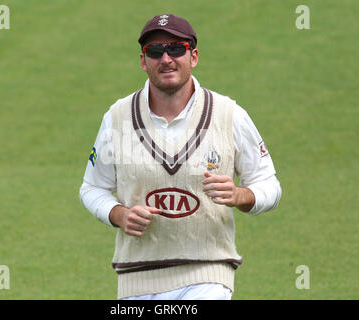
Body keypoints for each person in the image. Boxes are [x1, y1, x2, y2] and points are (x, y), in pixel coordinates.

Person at [79, 14, 282, 300]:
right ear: (143, 61)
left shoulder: (229, 114)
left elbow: (269, 185)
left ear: (193, 56)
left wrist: (240, 195)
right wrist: (118, 214)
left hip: (208, 272)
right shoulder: (117, 117)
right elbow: (92, 188)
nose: (166, 59)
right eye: (155, 51)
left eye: (175, 49)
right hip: (136, 276)